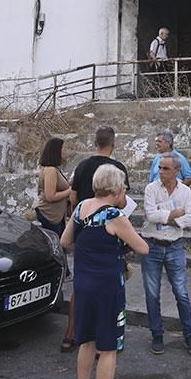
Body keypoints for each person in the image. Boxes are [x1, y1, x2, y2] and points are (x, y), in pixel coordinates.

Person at [60, 165, 148, 379]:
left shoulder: (82, 207)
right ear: (116, 189)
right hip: (107, 288)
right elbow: (142, 248)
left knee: (86, 341)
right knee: (108, 348)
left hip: (84, 285)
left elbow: (65, 241)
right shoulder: (114, 215)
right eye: (123, 187)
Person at [64, 127, 131, 353]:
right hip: (109, 237)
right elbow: (121, 202)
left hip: (82, 229)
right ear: (113, 143)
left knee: (80, 289)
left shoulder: (82, 166)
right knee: (108, 290)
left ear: (95, 143)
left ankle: (72, 334)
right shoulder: (118, 169)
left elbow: (72, 197)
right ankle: (106, 342)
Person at [141, 155, 191, 355]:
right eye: (160, 167)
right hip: (152, 245)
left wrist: (164, 215)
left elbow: (190, 219)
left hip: (175, 245)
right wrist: (175, 214)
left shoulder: (185, 191)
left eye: (165, 168)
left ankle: (189, 335)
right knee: (152, 293)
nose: (161, 171)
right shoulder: (151, 189)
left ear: (177, 170)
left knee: (181, 292)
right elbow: (151, 215)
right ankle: (157, 335)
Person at [36, 137, 72, 233]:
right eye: (63, 149)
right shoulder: (50, 170)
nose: (66, 152)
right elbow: (50, 196)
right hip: (49, 215)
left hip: (56, 215)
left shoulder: (55, 169)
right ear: (56, 151)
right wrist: (69, 191)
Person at [146, 27, 173, 97]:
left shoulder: (163, 43)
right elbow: (151, 53)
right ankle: (160, 95)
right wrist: (157, 62)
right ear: (161, 34)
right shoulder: (155, 42)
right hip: (159, 63)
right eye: (166, 34)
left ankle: (165, 94)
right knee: (160, 80)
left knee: (166, 79)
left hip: (164, 63)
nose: (167, 36)